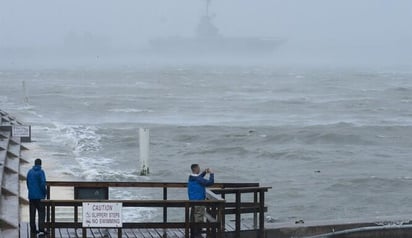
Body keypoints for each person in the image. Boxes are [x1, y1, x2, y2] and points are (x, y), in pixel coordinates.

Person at [187, 164, 214, 238]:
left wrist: (204, 172)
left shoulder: (191, 177)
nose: (199, 169)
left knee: (193, 217)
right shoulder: (198, 179)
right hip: (199, 201)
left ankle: (193, 234)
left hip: (192, 201)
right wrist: (211, 173)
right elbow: (210, 182)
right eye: (198, 168)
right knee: (199, 218)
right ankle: (197, 235)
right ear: (196, 169)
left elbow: (199, 178)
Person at [27, 158, 47, 236]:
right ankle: (41, 229)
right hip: (39, 197)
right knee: (41, 213)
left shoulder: (29, 172)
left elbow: (28, 183)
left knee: (32, 213)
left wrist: (31, 191)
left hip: (31, 196)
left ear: (34, 164)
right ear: (40, 164)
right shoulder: (41, 172)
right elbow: (42, 183)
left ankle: (33, 229)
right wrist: (45, 192)